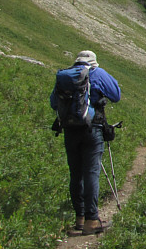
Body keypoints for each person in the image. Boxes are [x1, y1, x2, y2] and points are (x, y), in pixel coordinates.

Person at [50, 50, 121, 235]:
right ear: (93, 62)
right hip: (93, 129)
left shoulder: (66, 77)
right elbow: (116, 94)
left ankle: (79, 218)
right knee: (91, 172)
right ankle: (92, 220)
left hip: (69, 129)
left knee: (76, 173)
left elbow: (53, 103)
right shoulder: (97, 73)